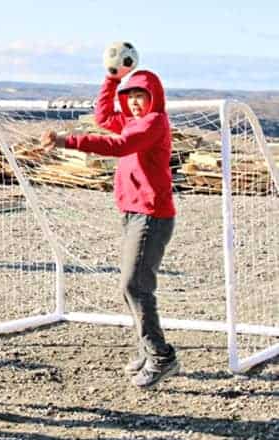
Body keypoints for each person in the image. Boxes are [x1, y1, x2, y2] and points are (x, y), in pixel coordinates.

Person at [41, 69, 179, 388]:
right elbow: (103, 116)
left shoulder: (153, 121)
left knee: (135, 286)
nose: (133, 103)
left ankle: (161, 356)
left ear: (153, 97)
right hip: (133, 213)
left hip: (151, 215)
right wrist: (113, 79)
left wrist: (66, 140)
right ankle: (148, 351)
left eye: (139, 96)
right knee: (131, 287)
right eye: (129, 98)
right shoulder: (133, 119)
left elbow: (119, 146)